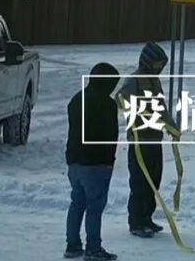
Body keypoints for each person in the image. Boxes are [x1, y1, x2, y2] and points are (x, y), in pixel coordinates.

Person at [117, 42, 179, 238]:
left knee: (154, 180)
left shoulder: (154, 82)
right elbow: (120, 98)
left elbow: (161, 109)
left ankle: (147, 218)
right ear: (147, 62)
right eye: (157, 64)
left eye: (162, 65)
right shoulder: (134, 80)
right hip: (139, 141)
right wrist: (134, 106)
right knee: (140, 182)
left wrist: (172, 127)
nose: (160, 68)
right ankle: (136, 222)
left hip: (154, 139)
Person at [65, 62, 121, 261]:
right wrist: (109, 160)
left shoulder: (76, 99)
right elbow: (111, 135)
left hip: (74, 161)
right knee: (95, 207)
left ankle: (72, 245)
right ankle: (93, 248)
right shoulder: (107, 104)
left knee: (77, 203)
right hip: (97, 163)